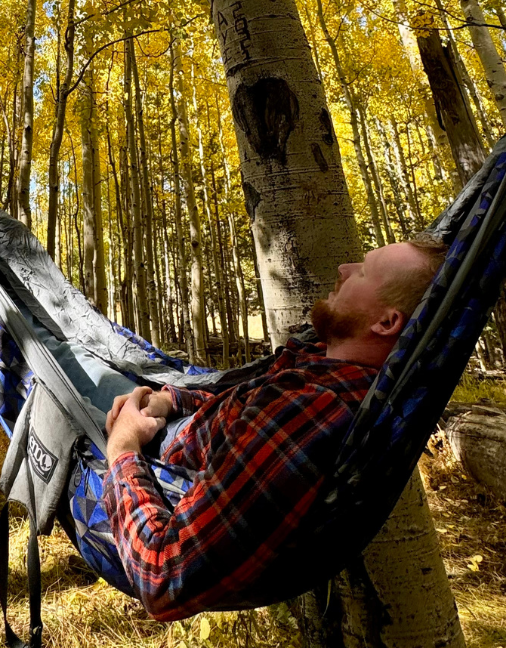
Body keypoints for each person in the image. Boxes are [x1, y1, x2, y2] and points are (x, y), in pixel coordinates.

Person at [102, 237, 447, 621]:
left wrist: (122, 448)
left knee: (60, 363)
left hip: (156, 465)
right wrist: (170, 400)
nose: (343, 270)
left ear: (386, 322)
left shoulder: (312, 413)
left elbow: (164, 579)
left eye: (363, 271)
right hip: (167, 421)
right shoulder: (322, 361)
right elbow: (240, 395)